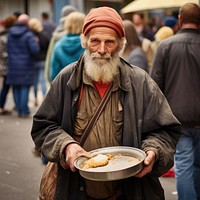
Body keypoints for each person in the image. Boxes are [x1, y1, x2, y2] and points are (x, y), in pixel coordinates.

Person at [31, 7, 181, 200]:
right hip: (76, 190)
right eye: (95, 41)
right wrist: (65, 145)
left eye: (109, 42)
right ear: (85, 42)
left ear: (120, 45)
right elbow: (43, 127)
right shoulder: (67, 79)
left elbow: (166, 131)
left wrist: (153, 151)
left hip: (129, 191)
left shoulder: (140, 81)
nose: (102, 50)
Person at [150, 3, 200, 200]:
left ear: (180, 20)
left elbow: (154, 86)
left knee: (184, 164)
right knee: (196, 165)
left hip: (177, 117)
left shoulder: (165, 46)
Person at [6, 14, 40, 117]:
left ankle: (19, 109)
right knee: (25, 87)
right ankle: (24, 111)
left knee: (16, 86)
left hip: (12, 64)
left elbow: (8, 48)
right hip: (26, 65)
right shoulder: (29, 35)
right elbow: (35, 50)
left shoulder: (10, 34)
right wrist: (36, 42)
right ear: (26, 22)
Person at [44, 5, 77, 82]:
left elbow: (50, 61)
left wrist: (50, 81)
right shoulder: (84, 38)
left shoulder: (57, 36)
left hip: (61, 81)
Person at [49, 11, 85, 81]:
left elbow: (53, 74)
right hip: (84, 86)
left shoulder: (58, 45)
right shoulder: (87, 46)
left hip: (64, 85)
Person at [28, 18, 50, 106]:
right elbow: (48, 47)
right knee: (42, 80)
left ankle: (36, 99)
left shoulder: (30, 35)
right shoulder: (44, 35)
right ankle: (45, 98)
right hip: (43, 60)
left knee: (35, 81)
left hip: (34, 60)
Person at [0, 15, 17, 114]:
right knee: (6, 87)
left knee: (8, 87)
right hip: (7, 66)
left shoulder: (4, 35)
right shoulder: (5, 37)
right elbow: (3, 53)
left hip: (7, 65)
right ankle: (1, 106)